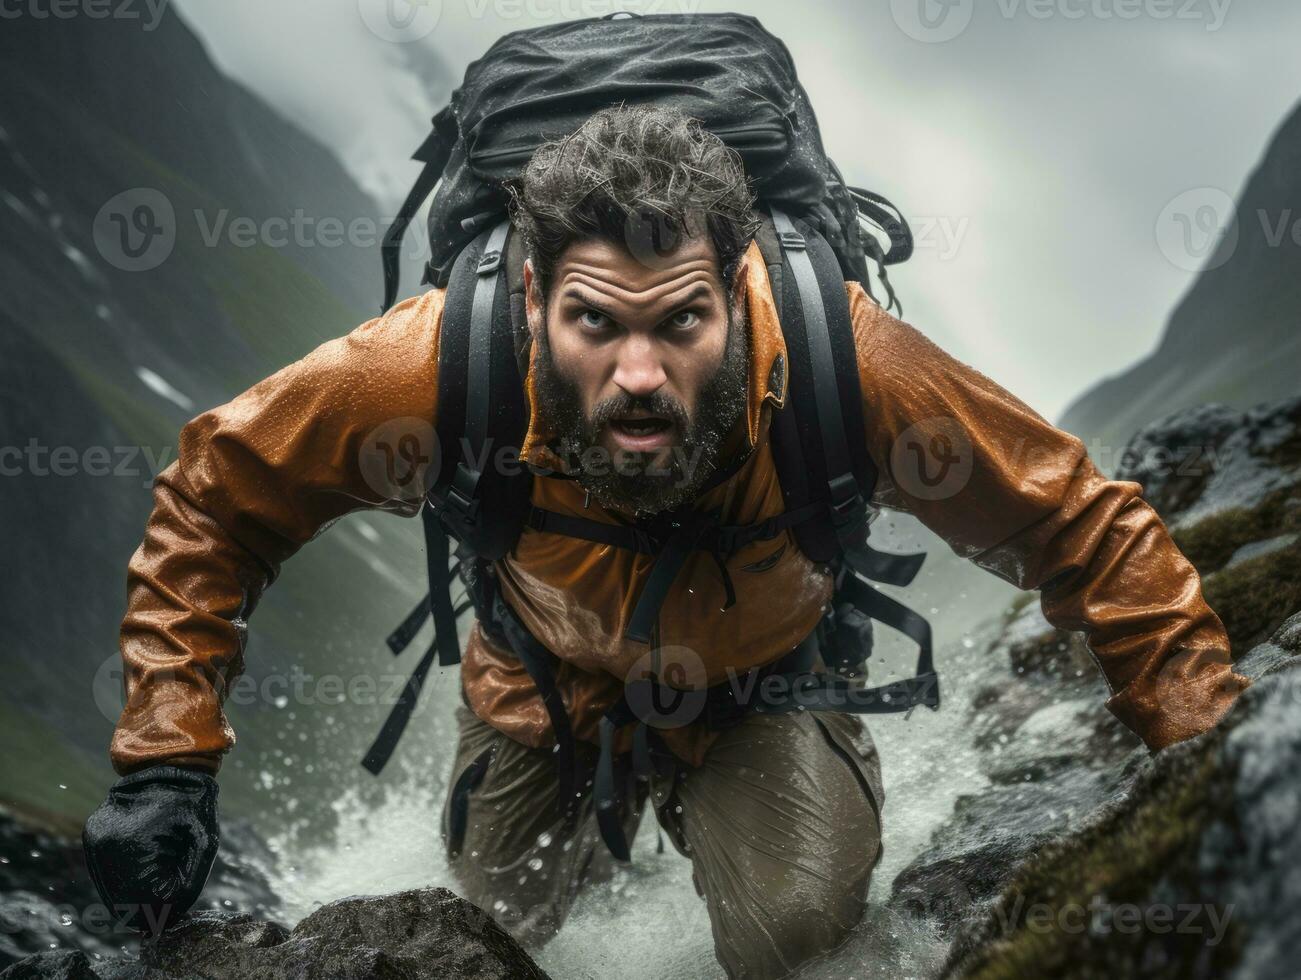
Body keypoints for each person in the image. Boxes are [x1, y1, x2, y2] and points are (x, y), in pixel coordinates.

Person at [84, 106, 1249, 978]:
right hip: (536, 680)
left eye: (680, 320)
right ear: (533, 296)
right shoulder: (432, 362)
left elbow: (1076, 520)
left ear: (734, 298)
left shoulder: (846, 362)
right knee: (490, 936)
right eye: (594, 321)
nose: (638, 375)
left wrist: (1217, 777)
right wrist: (167, 761)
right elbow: (216, 490)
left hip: (766, 678)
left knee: (792, 937)